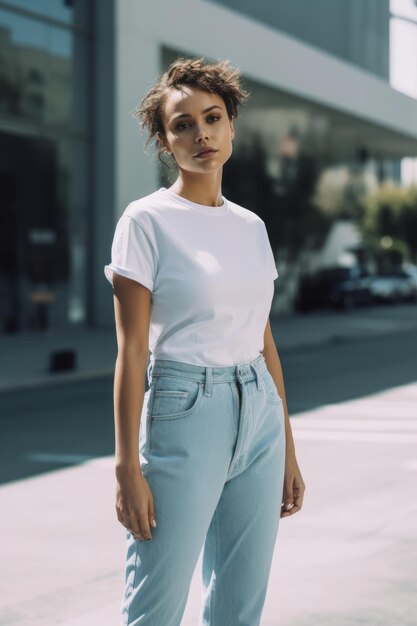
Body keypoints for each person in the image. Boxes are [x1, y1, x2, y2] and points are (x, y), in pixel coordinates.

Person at [104, 56, 305, 626]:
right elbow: (133, 350)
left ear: (232, 126)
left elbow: (263, 341)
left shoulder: (251, 227)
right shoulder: (145, 221)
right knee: (154, 608)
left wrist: (286, 444)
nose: (201, 134)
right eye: (183, 124)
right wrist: (126, 470)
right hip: (184, 410)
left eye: (212, 118)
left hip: (259, 411)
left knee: (240, 609)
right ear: (166, 142)